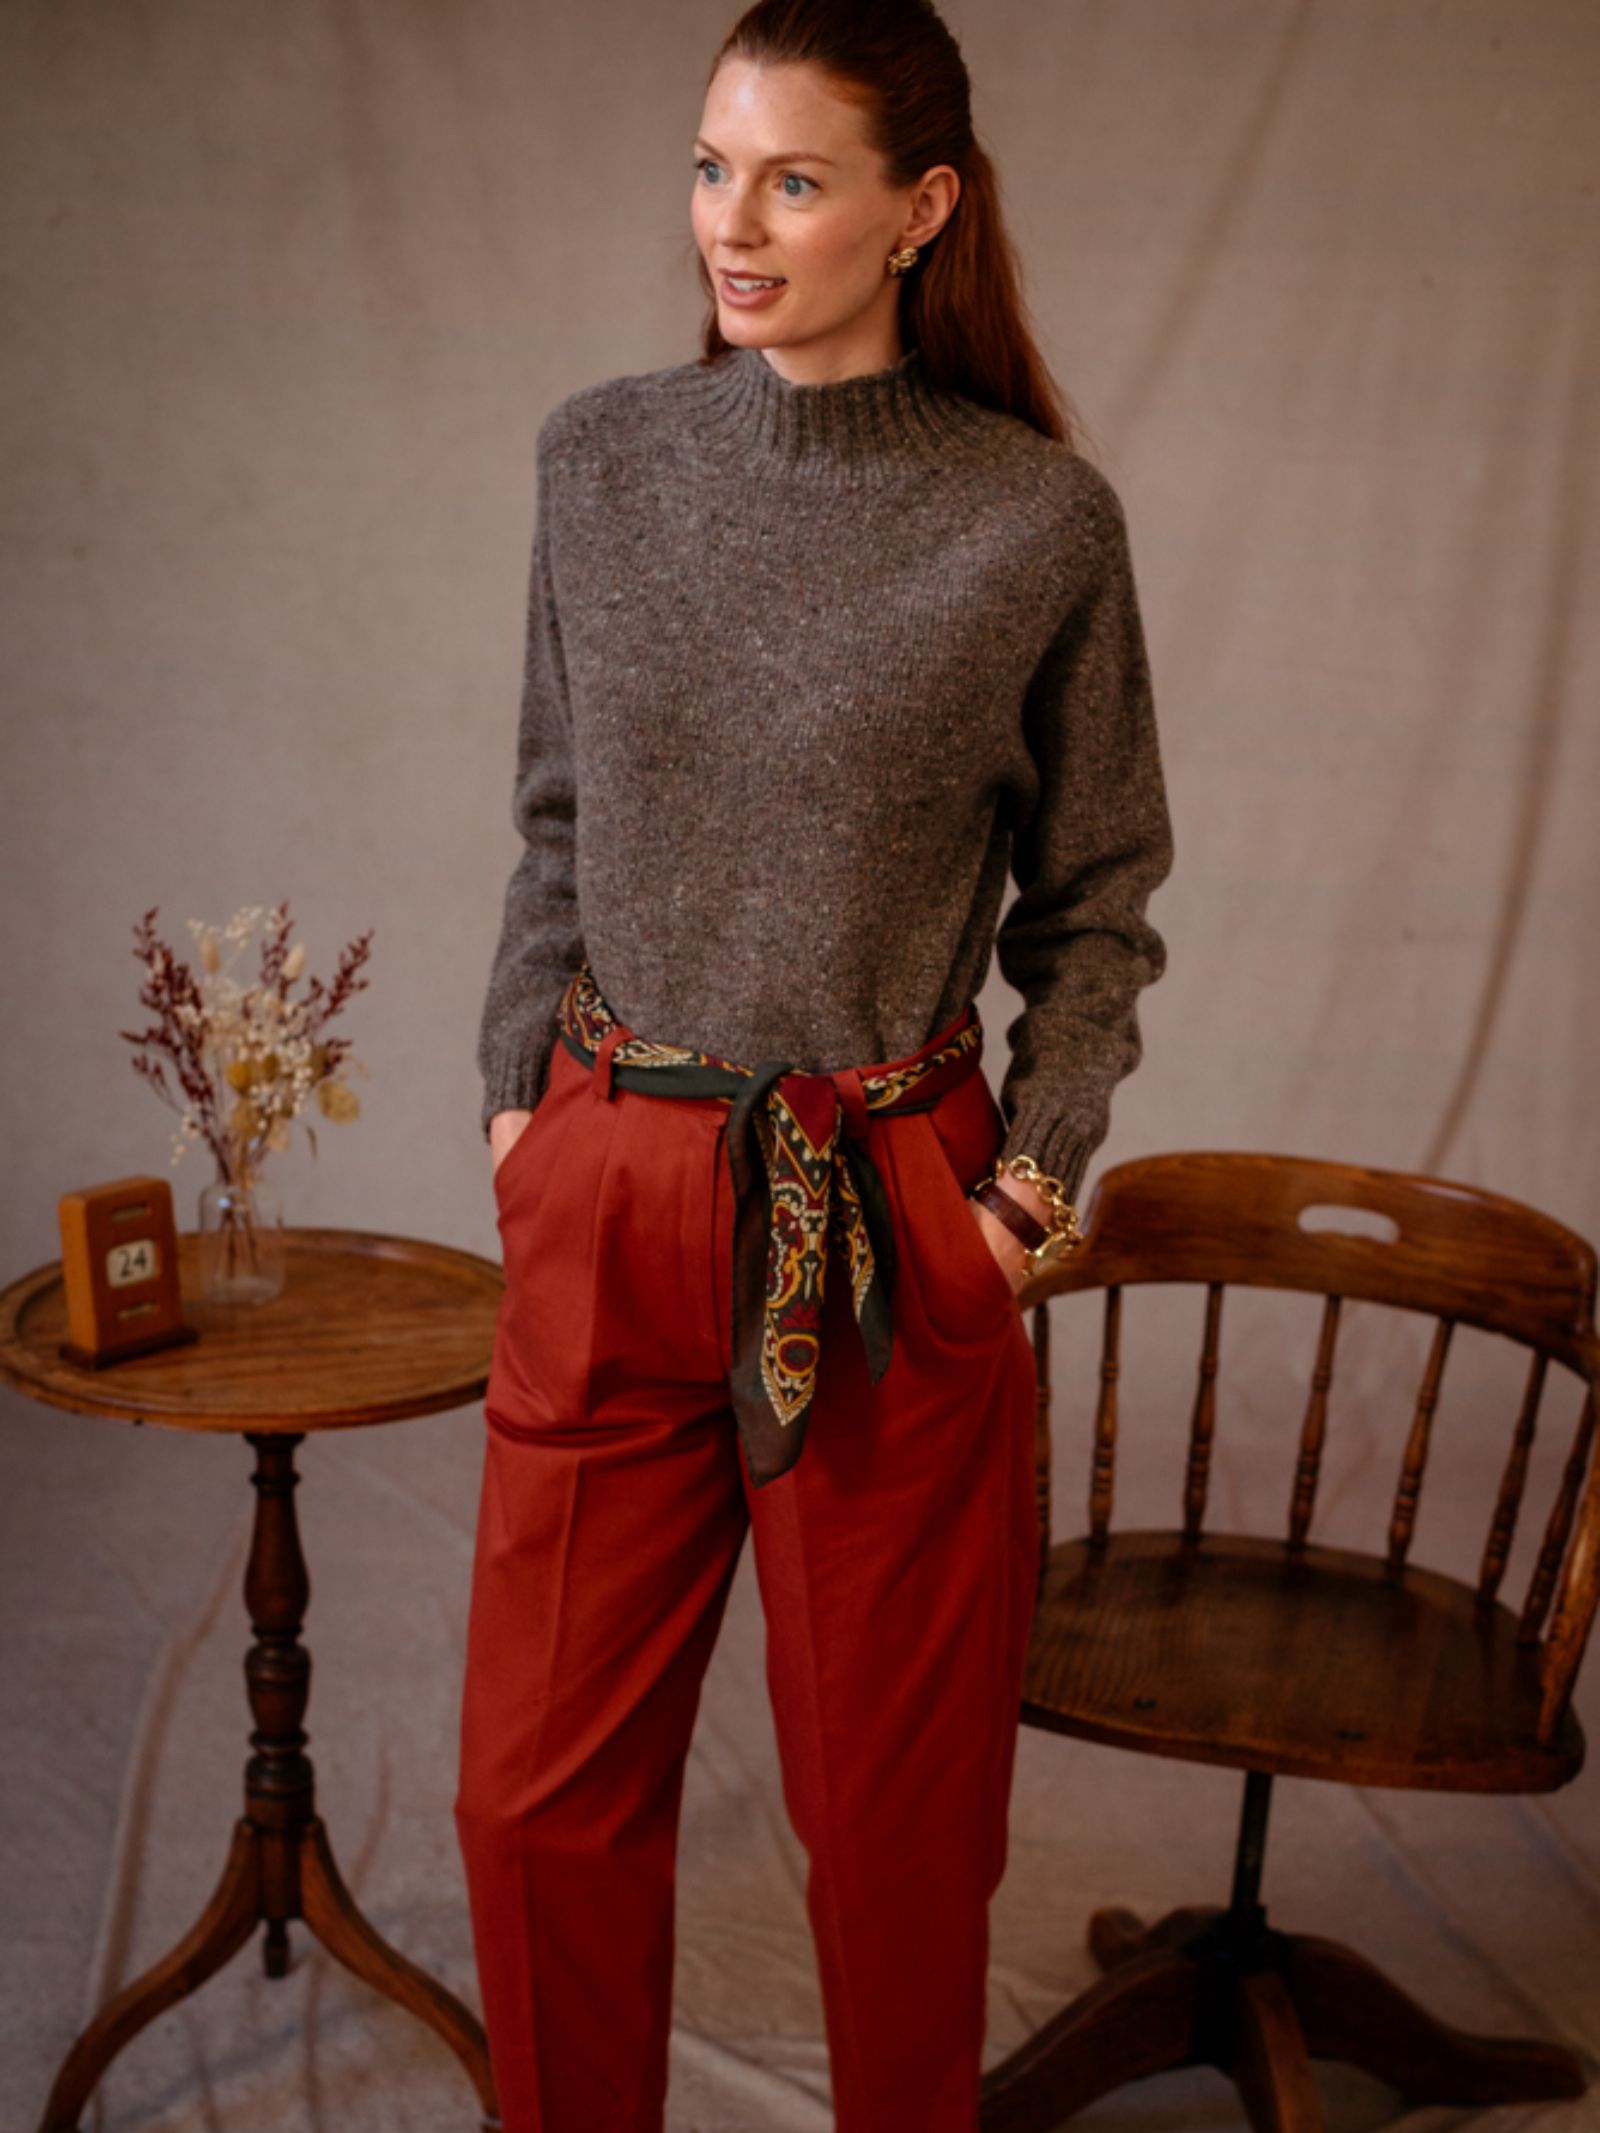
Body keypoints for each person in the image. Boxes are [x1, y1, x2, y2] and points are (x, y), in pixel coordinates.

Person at [452, 1, 1175, 2126]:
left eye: (790, 178)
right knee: (527, 1803)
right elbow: (556, 818)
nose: (730, 226)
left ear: (916, 208)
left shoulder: (1037, 523)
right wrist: (521, 1100)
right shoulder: (599, 459)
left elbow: (1098, 900)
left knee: (892, 1833)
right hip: (608, 1172)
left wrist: (1027, 1180)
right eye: (707, 169)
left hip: (881, 1211)